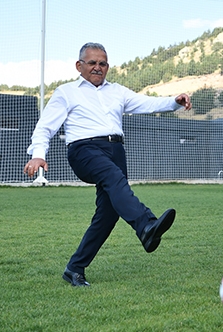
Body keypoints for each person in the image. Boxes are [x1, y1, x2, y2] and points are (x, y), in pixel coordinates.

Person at [23, 42, 192, 287]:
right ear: (79, 66)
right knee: (114, 178)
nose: (97, 67)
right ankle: (146, 225)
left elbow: (147, 103)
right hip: (84, 150)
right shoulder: (66, 92)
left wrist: (174, 101)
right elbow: (46, 127)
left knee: (108, 213)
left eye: (102, 63)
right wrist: (38, 154)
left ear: (108, 67)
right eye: (92, 63)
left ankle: (75, 268)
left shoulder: (118, 92)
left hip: (115, 150)